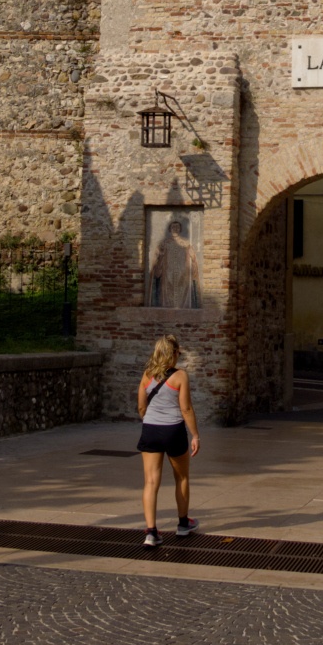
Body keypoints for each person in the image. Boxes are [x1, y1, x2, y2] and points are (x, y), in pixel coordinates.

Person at [136, 333, 201, 547]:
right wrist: (195, 435)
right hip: (173, 430)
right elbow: (186, 408)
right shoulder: (180, 376)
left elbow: (141, 407)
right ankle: (183, 524)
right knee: (181, 478)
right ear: (173, 354)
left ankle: (151, 532)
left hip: (151, 430)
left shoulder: (146, 375)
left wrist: (151, 421)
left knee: (150, 481)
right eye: (178, 352)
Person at [148, 218, 201, 308]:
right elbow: (157, 261)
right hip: (167, 276)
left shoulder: (186, 244)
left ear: (180, 229)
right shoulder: (164, 244)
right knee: (167, 299)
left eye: (177, 227)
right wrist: (159, 262)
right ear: (170, 229)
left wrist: (193, 261)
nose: (175, 229)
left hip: (183, 276)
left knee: (182, 301)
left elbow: (193, 260)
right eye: (173, 227)